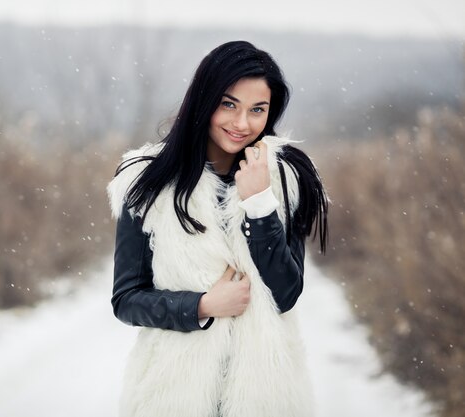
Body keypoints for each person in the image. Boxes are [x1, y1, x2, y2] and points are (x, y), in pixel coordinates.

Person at [107, 40, 328, 417]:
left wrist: (259, 205)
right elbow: (126, 299)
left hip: (265, 395)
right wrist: (201, 306)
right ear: (204, 100)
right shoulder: (148, 181)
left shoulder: (284, 178)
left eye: (257, 109)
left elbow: (286, 292)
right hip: (171, 394)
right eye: (229, 104)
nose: (242, 124)